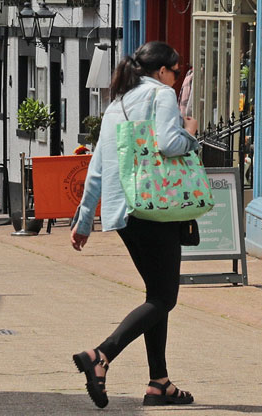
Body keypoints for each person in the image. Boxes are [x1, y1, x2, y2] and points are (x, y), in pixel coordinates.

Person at [69, 41, 199, 408]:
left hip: (123, 211)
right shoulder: (162, 96)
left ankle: (159, 382)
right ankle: (101, 355)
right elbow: (170, 143)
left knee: (155, 295)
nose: (176, 77)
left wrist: (83, 220)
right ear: (161, 71)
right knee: (163, 297)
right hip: (155, 207)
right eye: (176, 71)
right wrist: (191, 132)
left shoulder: (116, 104)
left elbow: (96, 166)